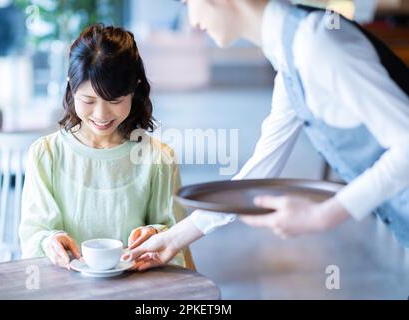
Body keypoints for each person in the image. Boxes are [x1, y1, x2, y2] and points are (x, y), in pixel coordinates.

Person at [125, 0, 409, 271]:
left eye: (188, 4)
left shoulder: (316, 44)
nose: (193, 21)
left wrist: (322, 215)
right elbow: (260, 169)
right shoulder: (290, 54)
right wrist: (173, 239)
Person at [19, 24, 189, 270]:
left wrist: (154, 232)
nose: (101, 114)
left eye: (114, 100)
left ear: (135, 89)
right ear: (71, 86)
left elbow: (175, 234)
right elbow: (34, 232)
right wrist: (49, 240)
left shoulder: (158, 158)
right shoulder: (46, 154)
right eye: (88, 100)